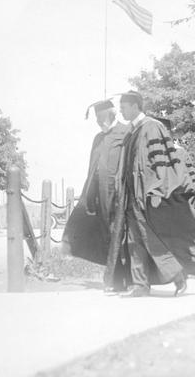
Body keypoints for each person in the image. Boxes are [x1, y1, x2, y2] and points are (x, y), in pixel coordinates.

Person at [111, 91, 195, 297]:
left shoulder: (152, 127)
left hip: (149, 194)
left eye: (123, 106)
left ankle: (178, 276)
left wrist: (159, 189)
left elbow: (164, 161)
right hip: (132, 196)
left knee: (153, 239)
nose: (121, 111)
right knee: (135, 241)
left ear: (135, 106)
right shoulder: (131, 132)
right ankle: (141, 285)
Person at [62, 99, 131, 292]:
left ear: (113, 113)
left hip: (119, 194)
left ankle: (122, 279)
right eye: (97, 118)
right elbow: (92, 169)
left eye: (103, 117)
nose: (100, 121)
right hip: (101, 197)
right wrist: (90, 196)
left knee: (121, 235)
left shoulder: (126, 132)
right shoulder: (98, 138)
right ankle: (117, 280)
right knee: (108, 235)